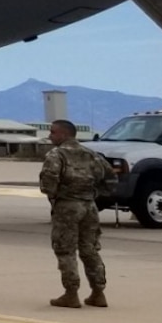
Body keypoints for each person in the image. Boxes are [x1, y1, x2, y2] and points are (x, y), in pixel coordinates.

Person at [39, 118, 109, 308]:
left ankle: (71, 293)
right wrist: (93, 194)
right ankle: (98, 292)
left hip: (67, 206)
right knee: (90, 249)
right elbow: (110, 177)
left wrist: (56, 196)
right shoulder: (91, 154)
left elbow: (48, 182)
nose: (50, 135)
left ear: (64, 134)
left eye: (53, 132)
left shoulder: (57, 154)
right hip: (89, 206)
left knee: (65, 249)